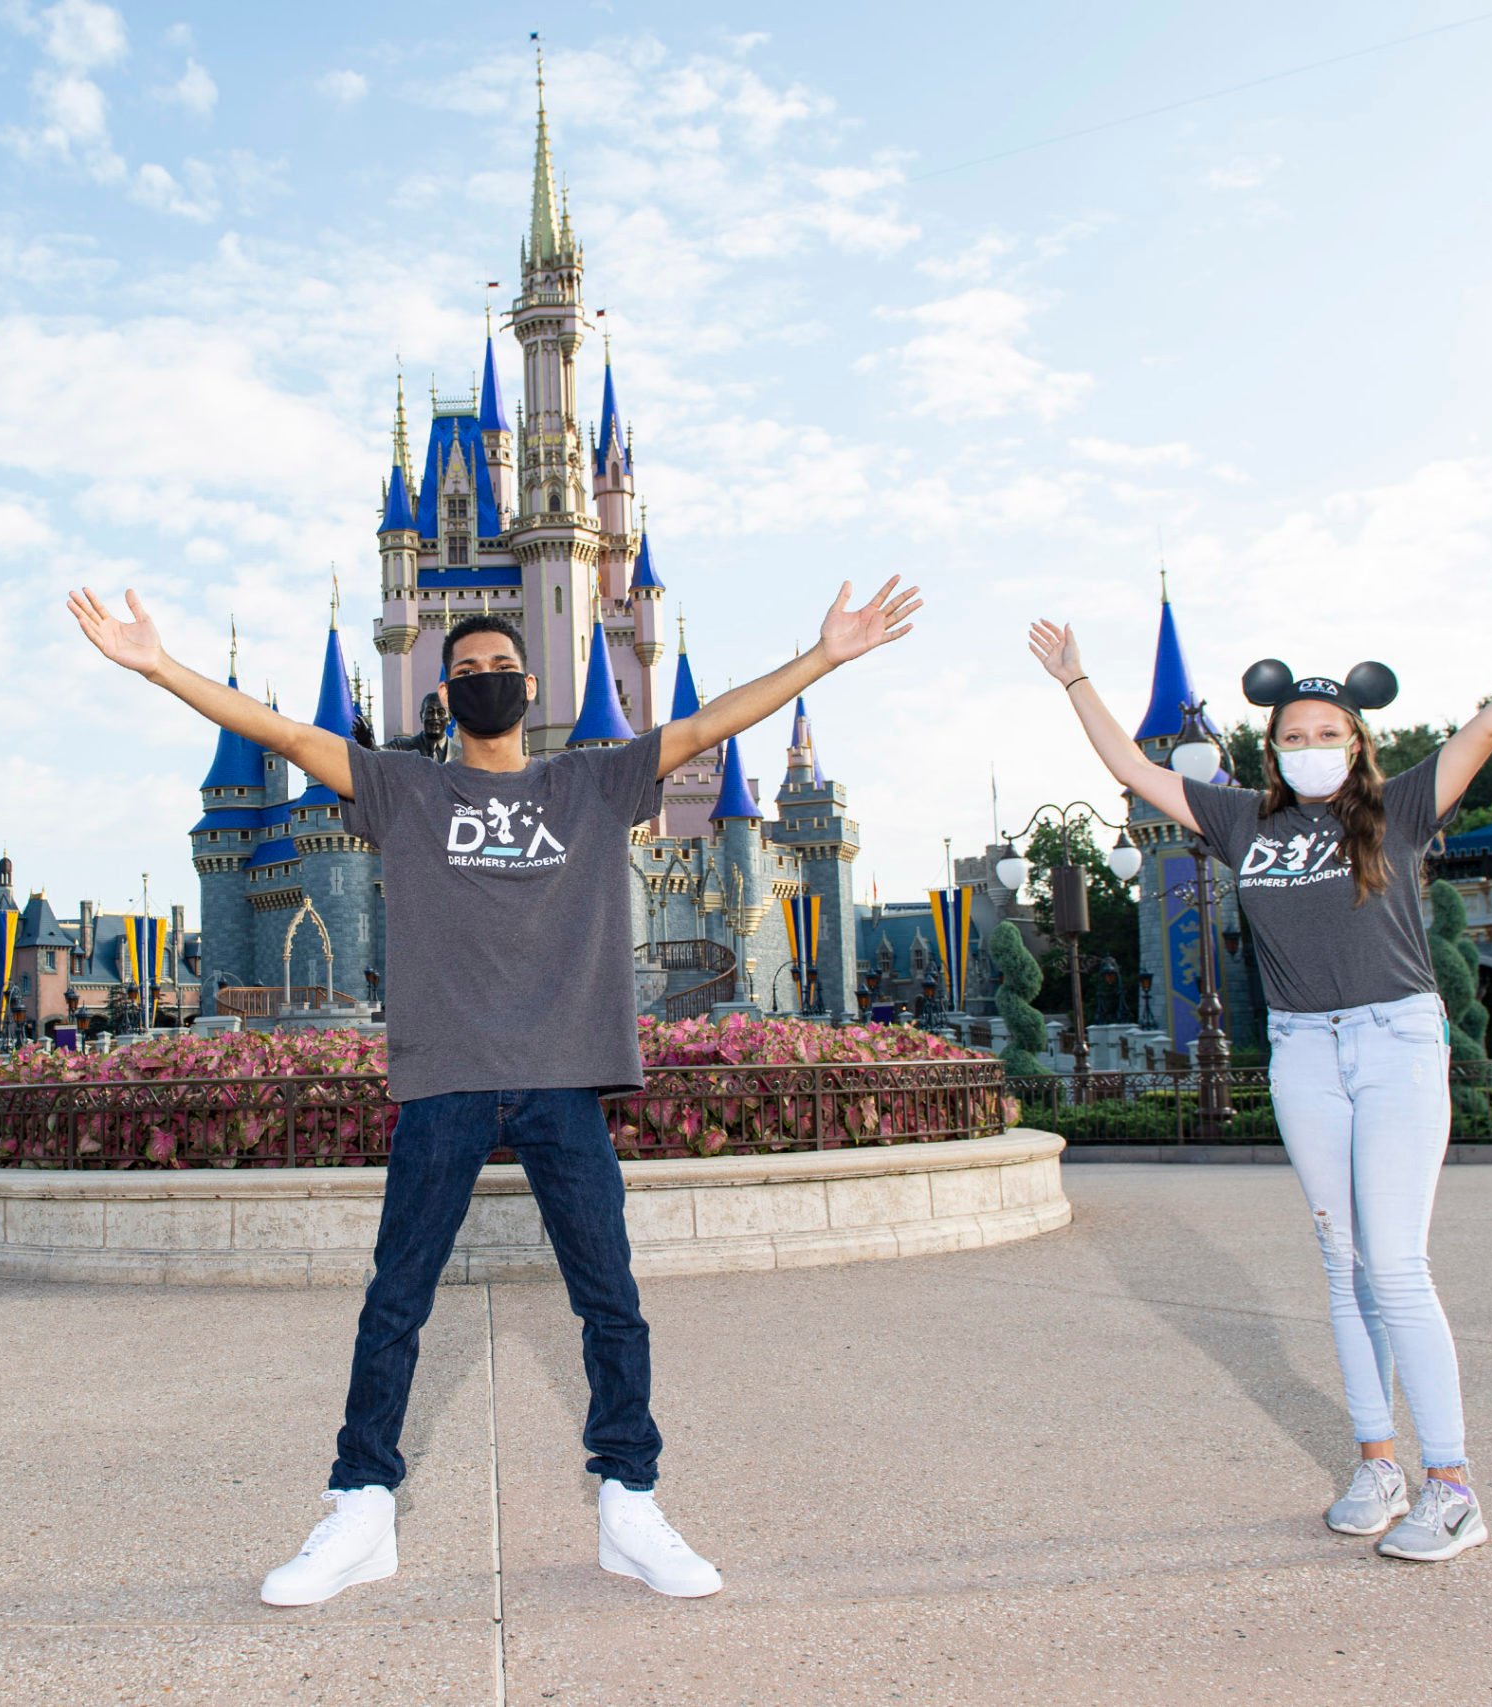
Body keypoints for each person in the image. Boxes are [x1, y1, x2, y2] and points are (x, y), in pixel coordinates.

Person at [69, 575, 919, 1606]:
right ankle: (361, 1507)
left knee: (610, 1303)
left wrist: (823, 657)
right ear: (443, 697)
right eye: (463, 672)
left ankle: (628, 1504)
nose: (483, 682)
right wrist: (158, 665)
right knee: (395, 1300)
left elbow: (706, 722)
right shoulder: (407, 793)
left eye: (498, 669)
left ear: (525, 684)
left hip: (563, 1083)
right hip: (449, 1083)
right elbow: (285, 737)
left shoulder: (591, 787)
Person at [1027, 549, 1492, 1564]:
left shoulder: (1397, 807)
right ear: (1268, 748)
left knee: (1398, 1266)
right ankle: (1378, 1462)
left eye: (1327, 733)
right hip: (1301, 1052)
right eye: (1293, 735)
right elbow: (1131, 771)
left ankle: (1451, 1485)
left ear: (1357, 740)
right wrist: (1074, 681)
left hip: (1396, 1041)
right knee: (1342, 1263)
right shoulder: (1243, 819)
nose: (1311, 745)